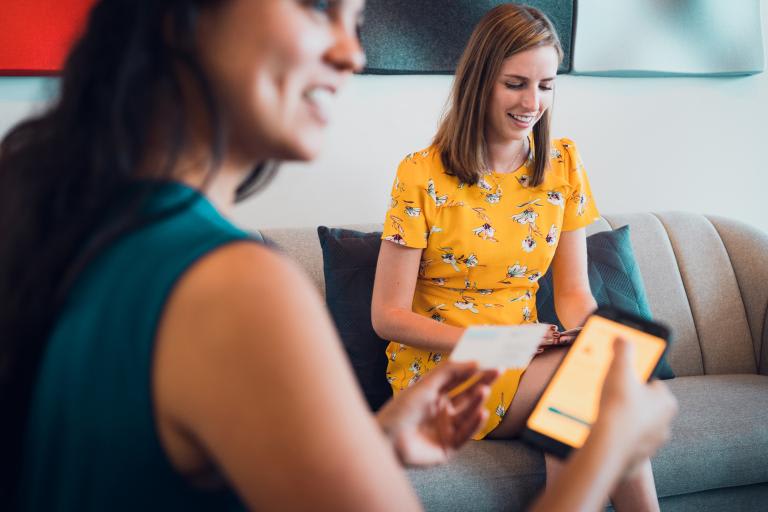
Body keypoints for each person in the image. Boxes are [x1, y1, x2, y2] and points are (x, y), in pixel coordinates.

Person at [0, 0, 676, 511]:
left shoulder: (85, 238)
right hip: (467, 364)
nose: (353, 53)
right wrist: (609, 448)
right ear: (184, 17)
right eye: (319, 7)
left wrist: (375, 444)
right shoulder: (235, 286)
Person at [371, 4, 662, 510]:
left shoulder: (563, 166)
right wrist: (492, 343)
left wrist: (596, 340)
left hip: (527, 354)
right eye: (515, 83)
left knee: (599, 375)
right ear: (480, 82)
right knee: (594, 391)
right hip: (445, 367)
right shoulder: (421, 175)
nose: (533, 102)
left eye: (546, 85)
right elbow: (386, 316)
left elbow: (573, 294)